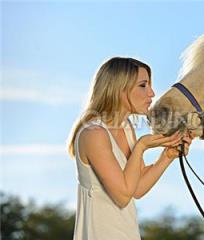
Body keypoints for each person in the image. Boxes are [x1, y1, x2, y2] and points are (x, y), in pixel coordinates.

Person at [67, 57, 193, 240]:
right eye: (143, 85)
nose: (152, 93)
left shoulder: (126, 128)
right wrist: (141, 147)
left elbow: (137, 189)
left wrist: (167, 156)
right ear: (119, 88)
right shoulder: (94, 134)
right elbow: (123, 196)